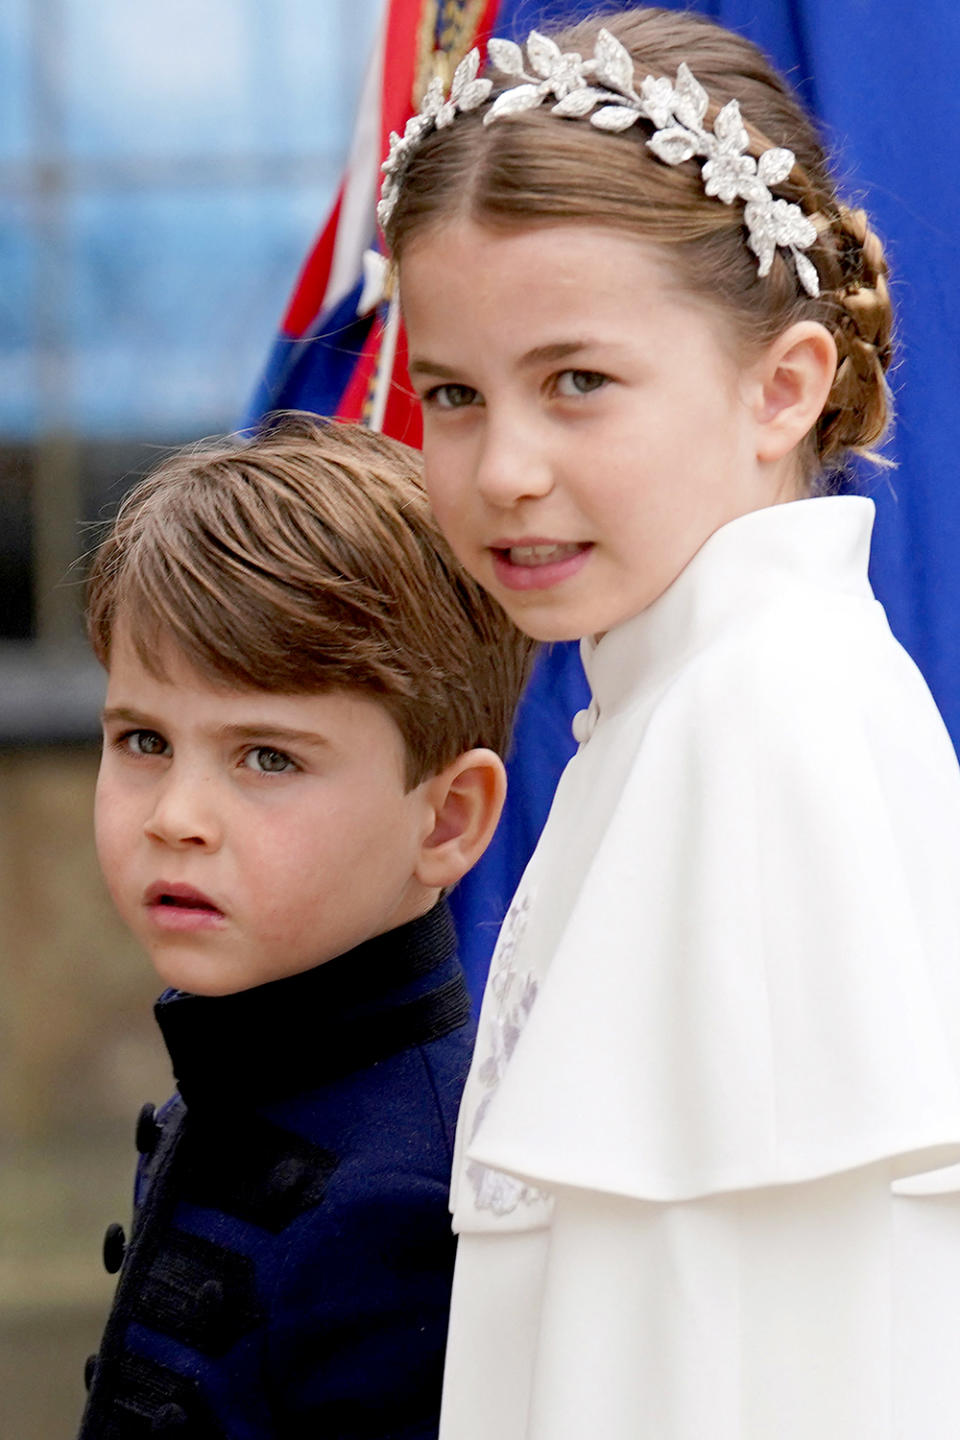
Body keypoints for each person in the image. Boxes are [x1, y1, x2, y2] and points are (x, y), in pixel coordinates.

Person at [379, 8, 960, 1438]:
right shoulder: (675, 705)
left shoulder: (760, 738)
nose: (504, 468)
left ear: (783, 386)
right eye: (453, 395)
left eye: (578, 383)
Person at [75, 415, 535, 1439]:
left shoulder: (412, 1204)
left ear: (448, 817)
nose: (176, 817)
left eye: (267, 758)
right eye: (144, 739)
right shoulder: (246, 1063)